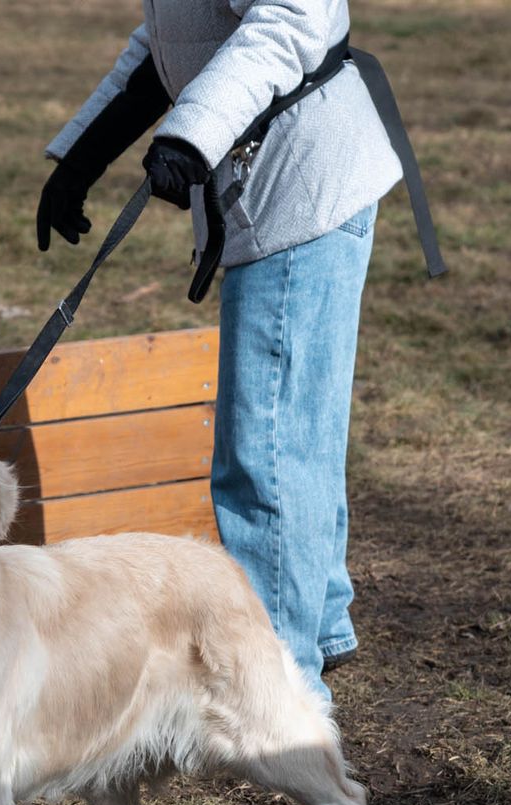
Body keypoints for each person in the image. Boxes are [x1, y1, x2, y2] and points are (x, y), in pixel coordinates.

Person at [38, 0, 435, 705]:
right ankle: (318, 625)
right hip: (288, 183)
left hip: (299, 189)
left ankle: (275, 692)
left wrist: (190, 135)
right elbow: (176, 37)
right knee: (295, 436)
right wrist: (84, 154)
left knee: (266, 452)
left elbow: (290, 18)